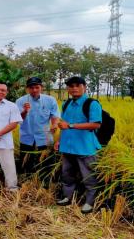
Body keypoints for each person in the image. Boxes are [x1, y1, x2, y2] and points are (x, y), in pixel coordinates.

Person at [54, 76, 102, 214]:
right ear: (68, 89)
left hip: (85, 147)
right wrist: (59, 140)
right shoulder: (66, 104)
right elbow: (63, 125)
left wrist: (70, 125)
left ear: (84, 87)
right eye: (71, 86)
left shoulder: (91, 104)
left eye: (77, 85)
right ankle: (67, 197)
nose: (74, 88)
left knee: (89, 176)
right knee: (67, 174)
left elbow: (95, 124)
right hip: (68, 146)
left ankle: (89, 202)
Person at [15, 77, 59, 176]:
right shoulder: (20, 101)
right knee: (26, 161)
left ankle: (45, 182)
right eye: (31, 88)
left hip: (45, 136)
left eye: (36, 87)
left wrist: (55, 124)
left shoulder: (50, 100)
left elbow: (54, 115)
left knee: (46, 161)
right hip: (27, 136)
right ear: (27, 89)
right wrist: (25, 111)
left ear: (41, 88)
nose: (34, 90)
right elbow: (17, 119)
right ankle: (27, 180)